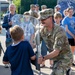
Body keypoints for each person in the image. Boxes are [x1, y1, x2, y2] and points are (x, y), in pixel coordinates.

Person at [38, 8, 73, 75]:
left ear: (50, 18)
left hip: (65, 57)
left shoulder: (59, 31)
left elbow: (56, 52)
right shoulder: (42, 31)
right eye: (40, 19)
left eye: (44, 19)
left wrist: (43, 58)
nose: (42, 21)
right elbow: (34, 43)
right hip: (55, 58)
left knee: (57, 73)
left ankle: (67, 70)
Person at [2, 4, 16, 68]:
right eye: (10, 7)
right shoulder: (6, 16)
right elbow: (3, 25)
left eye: (13, 7)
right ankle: (7, 62)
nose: (11, 8)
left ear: (15, 8)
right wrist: (8, 24)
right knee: (8, 49)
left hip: (17, 36)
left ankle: (14, 62)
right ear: (9, 8)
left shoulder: (18, 16)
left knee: (16, 49)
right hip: (9, 36)